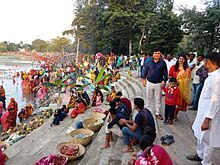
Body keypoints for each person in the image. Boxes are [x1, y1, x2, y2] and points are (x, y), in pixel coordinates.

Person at [186, 52, 220, 165]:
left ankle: (206, 162)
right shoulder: (212, 76)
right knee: (200, 136)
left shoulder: (217, 78)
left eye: (205, 62)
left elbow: (216, 101)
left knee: (209, 140)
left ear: (209, 62)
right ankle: (200, 155)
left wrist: (207, 119)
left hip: (210, 116)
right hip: (203, 112)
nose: (204, 64)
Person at [142, 50, 168, 120]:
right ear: (153, 54)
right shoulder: (149, 62)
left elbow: (165, 73)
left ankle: (158, 113)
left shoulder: (163, 63)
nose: (157, 55)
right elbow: (145, 71)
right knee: (148, 98)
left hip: (159, 83)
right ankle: (148, 111)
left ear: (160, 55)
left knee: (158, 99)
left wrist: (164, 81)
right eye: (155, 53)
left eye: (158, 53)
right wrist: (143, 79)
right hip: (149, 82)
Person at [169, 54, 191, 120]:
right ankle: (170, 114)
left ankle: (175, 114)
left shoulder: (187, 69)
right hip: (173, 88)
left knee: (179, 103)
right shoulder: (173, 67)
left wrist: (180, 81)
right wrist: (174, 82)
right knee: (171, 102)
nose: (181, 60)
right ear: (178, 59)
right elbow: (169, 76)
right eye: (180, 58)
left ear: (185, 60)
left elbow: (188, 79)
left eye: (183, 59)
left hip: (182, 89)